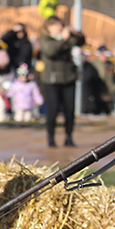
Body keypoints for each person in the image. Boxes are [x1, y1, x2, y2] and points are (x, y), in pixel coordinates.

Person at [38, 16, 84, 147]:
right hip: (51, 80)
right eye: (56, 25)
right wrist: (64, 39)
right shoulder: (46, 39)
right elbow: (51, 51)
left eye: (60, 25)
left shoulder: (66, 38)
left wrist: (77, 33)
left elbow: (80, 42)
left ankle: (69, 137)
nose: (59, 27)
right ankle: (51, 138)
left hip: (68, 78)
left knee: (69, 110)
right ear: (48, 27)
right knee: (52, 110)